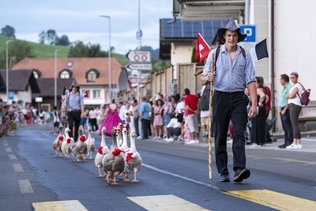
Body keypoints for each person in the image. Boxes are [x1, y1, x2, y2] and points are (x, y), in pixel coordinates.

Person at [201, 18, 257, 183]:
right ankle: (223, 170)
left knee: (239, 133)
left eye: (234, 35)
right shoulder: (215, 54)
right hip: (220, 96)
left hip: (239, 97)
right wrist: (207, 77)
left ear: (238, 37)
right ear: (224, 37)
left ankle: (239, 169)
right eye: (228, 35)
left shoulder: (245, 54)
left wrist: (254, 104)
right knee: (220, 135)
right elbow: (203, 78)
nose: (231, 38)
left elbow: (251, 80)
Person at [286, 72, 303, 149]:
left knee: (294, 124)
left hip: (294, 106)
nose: (292, 79)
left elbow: (291, 95)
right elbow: (290, 96)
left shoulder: (297, 85)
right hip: (295, 105)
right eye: (291, 77)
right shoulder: (295, 86)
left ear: (297, 77)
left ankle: (295, 142)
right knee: (295, 124)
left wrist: (288, 96)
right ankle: (298, 142)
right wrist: (289, 96)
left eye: (293, 77)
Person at [251, 77, 268, 147]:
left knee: (256, 124)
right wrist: (262, 103)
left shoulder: (258, 89)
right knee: (260, 125)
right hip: (261, 109)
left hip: (258, 108)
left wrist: (259, 103)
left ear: (257, 83)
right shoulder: (262, 89)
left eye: (255, 82)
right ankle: (261, 142)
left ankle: (256, 142)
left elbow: (263, 96)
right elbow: (267, 97)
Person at [278, 74, 293, 148]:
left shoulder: (289, 87)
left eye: (280, 79)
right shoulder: (284, 88)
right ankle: (286, 142)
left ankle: (290, 142)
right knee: (284, 127)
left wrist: (284, 109)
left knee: (288, 126)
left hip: (286, 109)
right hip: (282, 108)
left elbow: (289, 100)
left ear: (284, 80)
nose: (280, 81)